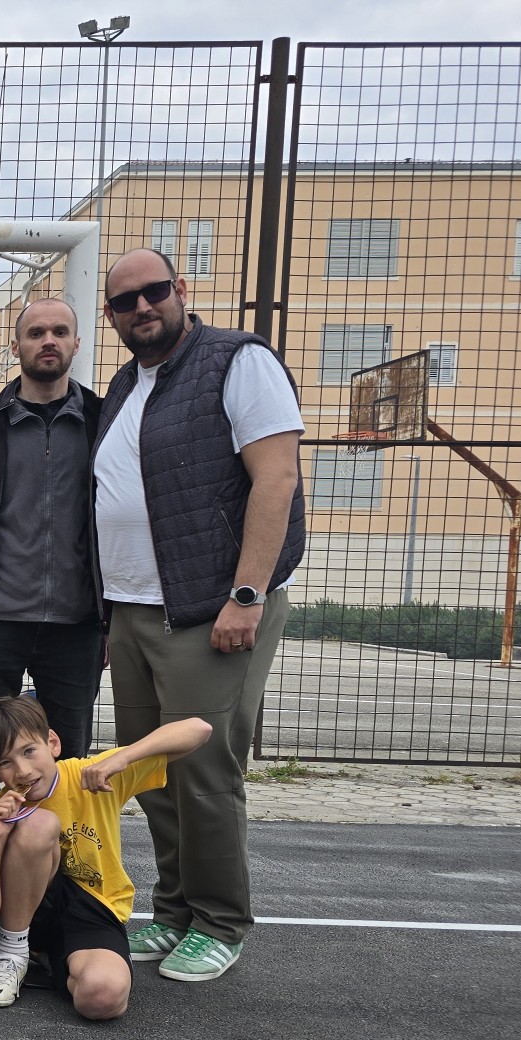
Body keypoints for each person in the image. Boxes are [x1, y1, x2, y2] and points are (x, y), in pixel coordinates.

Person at [94, 248, 306, 983]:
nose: (141, 307)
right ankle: (175, 909)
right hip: (133, 609)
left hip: (209, 608)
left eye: (153, 291)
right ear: (112, 316)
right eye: (124, 301)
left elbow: (275, 478)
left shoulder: (238, 361)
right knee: (152, 770)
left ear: (181, 290)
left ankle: (219, 921)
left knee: (203, 771)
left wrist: (246, 595)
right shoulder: (126, 383)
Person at [0, 297, 106, 758]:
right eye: (35, 333)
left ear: (76, 343)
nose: (48, 341)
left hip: (78, 623)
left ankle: (59, 812)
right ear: (16, 346)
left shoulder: (100, 419)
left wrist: (111, 617)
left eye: (59, 332)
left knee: (67, 752)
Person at [0, 695, 211, 1018]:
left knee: (102, 997)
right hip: (28, 916)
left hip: (93, 910)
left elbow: (199, 729)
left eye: (29, 751)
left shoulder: (90, 775)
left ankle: (56, 963)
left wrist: (122, 758)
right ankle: (13, 954)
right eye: (5, 762)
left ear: (52, 743)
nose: (23, 771)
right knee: (39, 824)